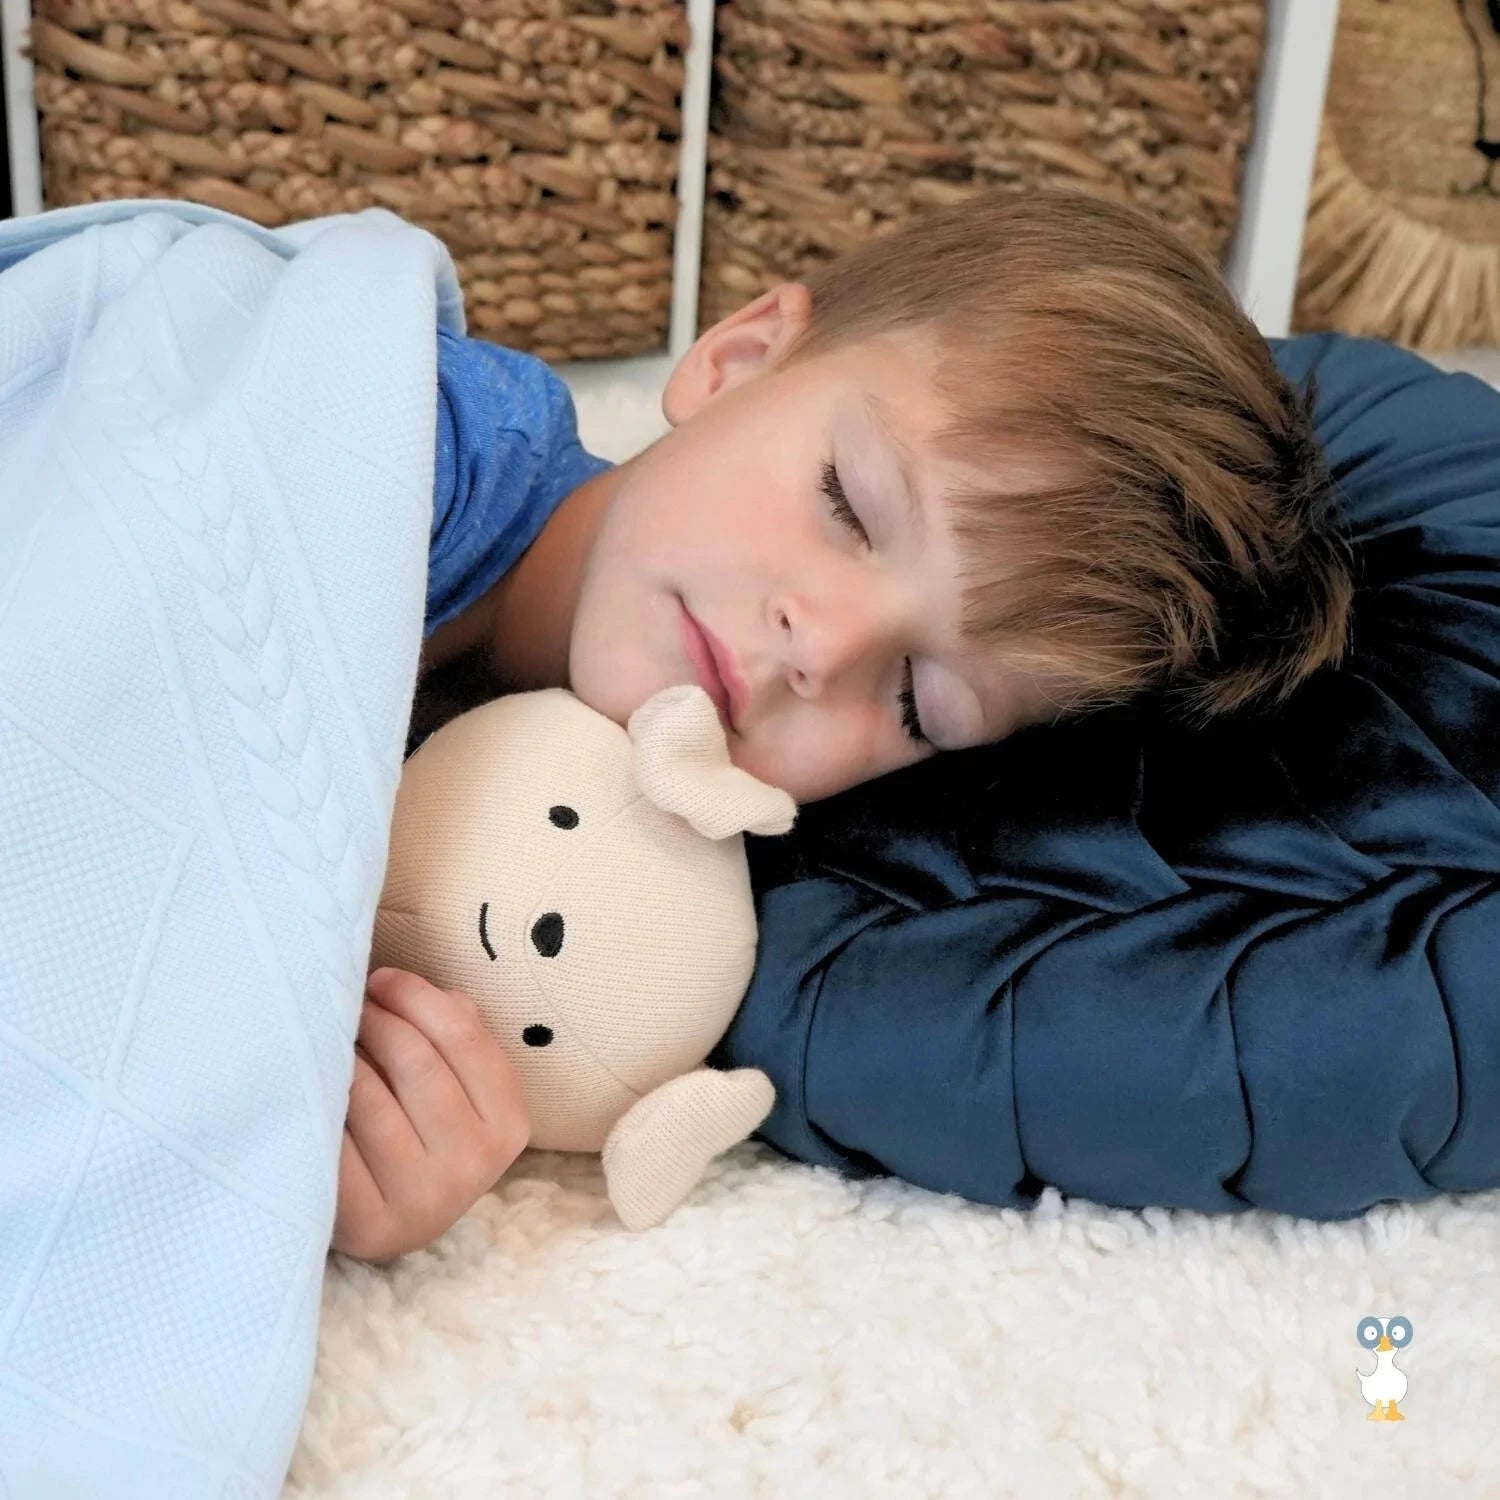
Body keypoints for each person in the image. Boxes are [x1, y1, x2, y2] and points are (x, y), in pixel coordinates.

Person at [334, 188, 1356, 1262]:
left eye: (920, 701)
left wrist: (362, 1138)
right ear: (737, 358)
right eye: (848, 503)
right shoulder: (404, 446)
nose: (820, 648)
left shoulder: (635, 888)